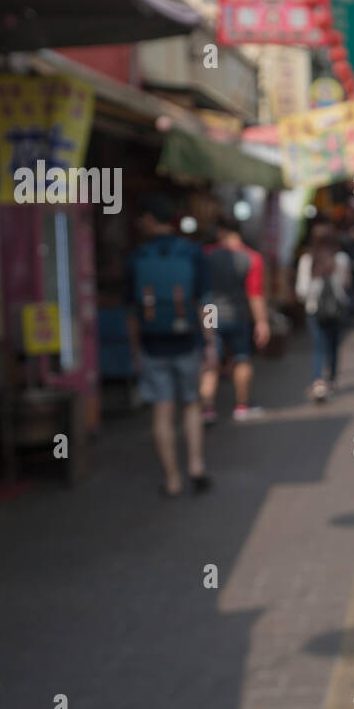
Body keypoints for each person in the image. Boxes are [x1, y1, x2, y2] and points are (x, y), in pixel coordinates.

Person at [126, 193, 212, 497]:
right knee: (191, 405)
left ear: (149, 219)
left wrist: (135, 350)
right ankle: (197, 466)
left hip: (152, 344)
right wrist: (210, 342)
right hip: (187, 341)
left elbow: (132, 313)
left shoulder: (137, 257)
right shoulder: (192, 253)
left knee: (162, 411)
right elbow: (203, 304)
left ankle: (173, 479)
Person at [200, 214, 269, 423]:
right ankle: (241, 405)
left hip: (209, 314)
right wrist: (262, 322)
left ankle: (208, 409)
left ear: (220, 230)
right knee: (242, 358)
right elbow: (255, 294)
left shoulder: (206, 255)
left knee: (210, 362)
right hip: (238, 314)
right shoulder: (252, 258)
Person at [295, 223, 353, 402]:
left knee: (318, 346)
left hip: (314, 309)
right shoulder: (342, 258)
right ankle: (332, 380)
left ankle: (318, 382)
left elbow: (302, 290)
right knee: (334, 345)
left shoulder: (307, 259)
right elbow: (346, 283)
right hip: (337, 309)